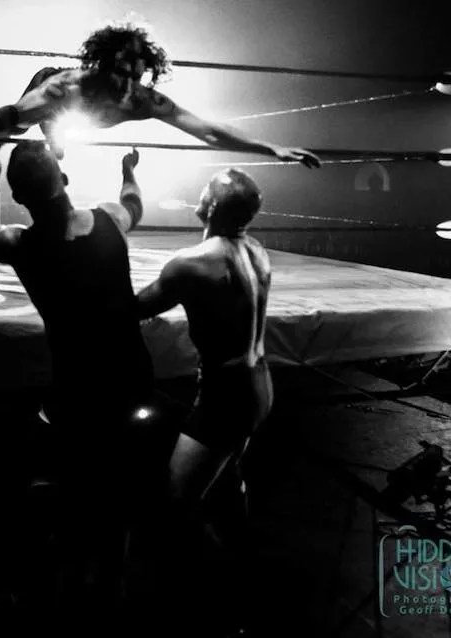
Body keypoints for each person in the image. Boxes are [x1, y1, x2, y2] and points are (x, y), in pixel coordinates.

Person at [0, 136, 156, 627]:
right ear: (65, 179)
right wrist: (128, 169)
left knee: (74, 484)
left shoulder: (23, 245)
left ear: (20, 197)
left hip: (77, 388)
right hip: (131, 377)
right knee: (118, 485)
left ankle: (65, 591)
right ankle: (111, 586)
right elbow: (134, 202)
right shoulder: (109, 220)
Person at [135, 167, 273, 634]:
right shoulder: (258, 252)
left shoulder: (190, 263)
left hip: (225, 397)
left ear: (211, 206)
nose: (197, 193)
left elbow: (137, 307)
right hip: (260, 385)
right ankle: (244, 572)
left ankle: (206, 604)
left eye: (205, 189)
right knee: (228, 480)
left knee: (177, 501)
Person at [0, 20, 320, 168]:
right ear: (101, 65)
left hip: (79, 115)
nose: (125, 85)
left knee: (52, 142)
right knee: (20, 128)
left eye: (134, 77)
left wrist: (271, 148)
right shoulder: (67, 87)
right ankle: (40, 137)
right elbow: (13, 113)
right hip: (54, 95)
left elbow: (206, 130)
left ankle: (53, 140)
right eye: (119, 73)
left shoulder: (142, 101)